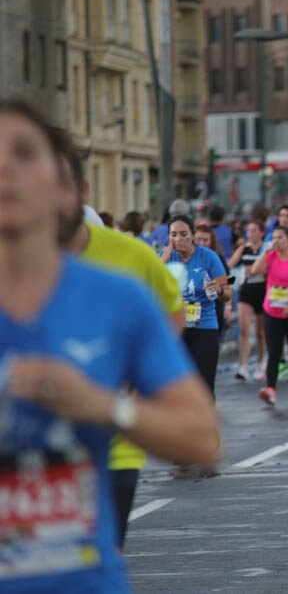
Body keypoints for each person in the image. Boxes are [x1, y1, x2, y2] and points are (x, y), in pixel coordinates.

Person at [0, 99, 219, 592]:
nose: (5, 169)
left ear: (67, 191)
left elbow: (202, 438)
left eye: (23, 153)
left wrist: (99, 405)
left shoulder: (116, 297)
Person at [56, 148, 186, 547]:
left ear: (81, 189)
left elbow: (174, 311)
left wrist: (135, 373)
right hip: (31, 456)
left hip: (114, 449)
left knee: (102, 555)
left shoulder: (129, 257)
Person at [162, 215, 229, 397]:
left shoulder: (208, 257)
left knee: (204, 387)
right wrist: (165, 257)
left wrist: (219, 289)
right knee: (176, 386)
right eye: (174, 234)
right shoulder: (164, 258)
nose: (179, 239)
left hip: (204, 327)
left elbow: (228, 293)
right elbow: (148, 287)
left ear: (192, 235)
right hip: (175, 329)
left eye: (184, 234)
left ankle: (206, 424)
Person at [249, 226, 288, 406]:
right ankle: (270, 390)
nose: (277, 241)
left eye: (280, 238)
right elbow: (255, 270)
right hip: (272, 310)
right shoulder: (271, 256)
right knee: (274, 351)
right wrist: (265, 251)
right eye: (274, 238)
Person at [230, 220, 268, 381]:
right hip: (246, 291)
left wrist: (255, 270)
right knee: (244, 329)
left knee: (260, 332)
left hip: (263, 291)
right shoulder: (243, 248)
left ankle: (261, 363)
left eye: (254, 230)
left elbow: (268, 267)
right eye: (248, 231)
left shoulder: (266, 249)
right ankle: (243, 365)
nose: (250, 234)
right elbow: (230, 264)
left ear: (261, 233)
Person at [194, 224, 232, 335]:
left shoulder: (217, 258)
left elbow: (227, 284)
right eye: (198, 239)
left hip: (214, 309)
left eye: (205, 240)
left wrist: (228, 307)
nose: (201, 243)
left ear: (212, 242)